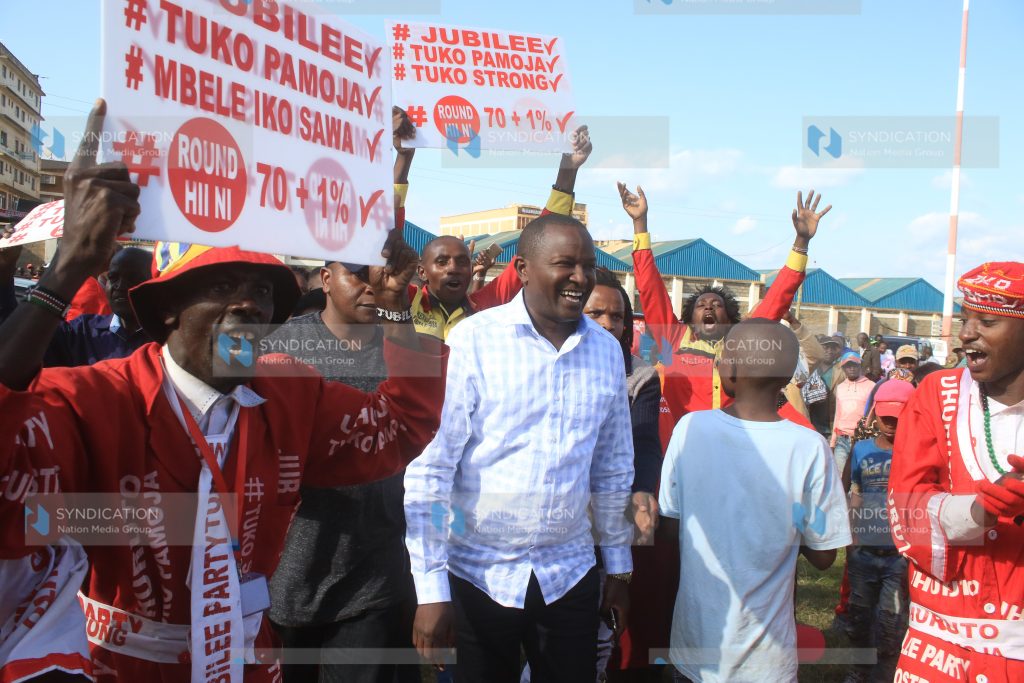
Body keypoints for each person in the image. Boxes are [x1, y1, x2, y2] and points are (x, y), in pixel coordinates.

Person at [0, 100, 448, 682]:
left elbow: (399, 426)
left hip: (250, 660)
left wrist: (393, 308)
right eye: (221, 284)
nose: (249, 302)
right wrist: (65, 271)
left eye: (263, 291)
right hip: (123, 668)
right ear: (165, 313)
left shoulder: (288, 391)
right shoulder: (96, 399)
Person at [404, 214, 634, 683]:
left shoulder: (607, 351)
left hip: (568, 572)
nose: (580, 278)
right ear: (523, 268)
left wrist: (619, 568)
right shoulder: (473, 340)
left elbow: (612, 467)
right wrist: (430, 589)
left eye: (588, 266)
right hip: (480, 575)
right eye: (565, 264)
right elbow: (433, 467)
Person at [657, 319, 851, 682]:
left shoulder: (689, 429)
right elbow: (825, 556)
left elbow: (670, 526)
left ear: (727, 368)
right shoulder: (809, 447)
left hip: (695, 649)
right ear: (787, 378)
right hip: (767, 662)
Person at [888, 261, 1024, 683]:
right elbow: (904, 508)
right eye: (966, 318)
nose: (966, 333)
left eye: (986, 321)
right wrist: (981, 510)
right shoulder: (937, 394)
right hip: (943, 640)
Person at [620, 184, 829, 422]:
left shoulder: (743, 344)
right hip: (679, 450)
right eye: (701, 305)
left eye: (717, 305)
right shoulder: (674, 337)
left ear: (730, 320)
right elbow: (649, 287)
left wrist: (801, 242)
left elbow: (778, 298)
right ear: (690, 320)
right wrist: (640, 224)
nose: (708, 307)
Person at [411, 126, 592, 341]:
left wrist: (567, 171)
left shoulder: (485, 307)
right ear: (422, 271)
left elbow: (540, 242)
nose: (454, 269)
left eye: (462, 262)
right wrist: (403, 158)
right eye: (442, 262)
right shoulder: (405, 300)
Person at [842, 379, 914, 683]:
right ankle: (859, 670)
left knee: (890, 622)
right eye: (885, 417)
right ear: (874, 413)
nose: (890, 425)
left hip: (898, 558)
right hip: (863, 553)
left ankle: (885, 674)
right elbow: (849, 490)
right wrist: (849, 536)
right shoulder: (861, 450)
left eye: (897, 419)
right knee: (858, 619)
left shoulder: (917, 453)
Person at [831, 351, 875, 474]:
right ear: (843, 368)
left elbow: (873, 414)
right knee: (840, 477)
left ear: (859, 366)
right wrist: (833, 442)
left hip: (862, 439)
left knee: (858, 478)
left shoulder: (871, 386)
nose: (851, 368)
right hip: (842, 438)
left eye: (854, 365)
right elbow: (837, 414)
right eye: (847, 366)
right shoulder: (840, 387)